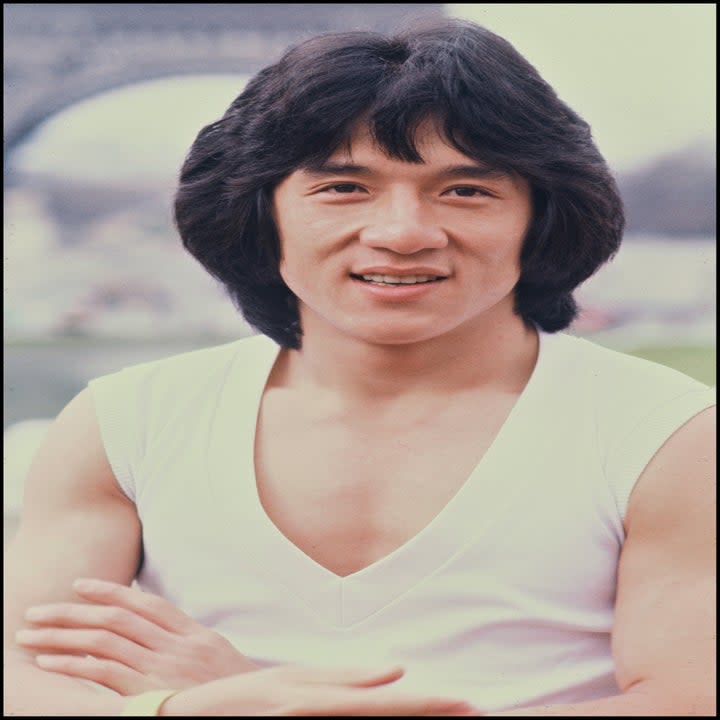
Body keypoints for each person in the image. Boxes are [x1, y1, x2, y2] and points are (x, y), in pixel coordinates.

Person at [4, 16, 715, 717]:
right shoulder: (126, 422)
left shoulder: (667, 438)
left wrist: (242, 700)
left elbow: (690, 701)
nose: (403, 233)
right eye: (344, 188)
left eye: (466, 190)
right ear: (261, 213)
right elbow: (20, 672)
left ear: (541, 218)